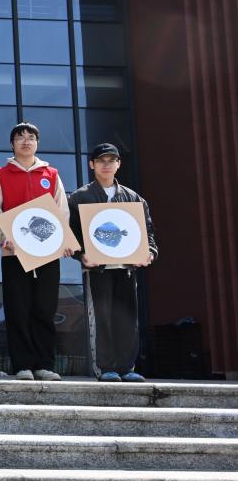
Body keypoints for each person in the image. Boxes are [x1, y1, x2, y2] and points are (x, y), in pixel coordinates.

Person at [0, 121, 71, 381]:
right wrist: (4, 238)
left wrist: (62, 239)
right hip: (14, 253)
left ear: (37, 143)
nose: (26, 141)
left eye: (31, 137)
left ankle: (44, 364)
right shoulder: (0, 175)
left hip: (47, 254)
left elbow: (62, 210)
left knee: (45, 309)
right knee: (18, 309)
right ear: (12, 144)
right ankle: (22, 365)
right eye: (20, 137)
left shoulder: (51, 174)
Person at [68, 143, 158, 382]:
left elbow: (147, 233)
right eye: (101, 160)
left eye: (111, 160)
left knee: (127, 319)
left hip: (126, 269)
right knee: (102, 318)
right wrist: (81, 255)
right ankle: (105, 367)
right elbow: (72, 234)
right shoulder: (79, 197)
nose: (106, 165)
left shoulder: (134, 199)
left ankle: (127, 367)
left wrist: (149, 252)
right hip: (97, 270)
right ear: (92, 164)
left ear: (119, 164)